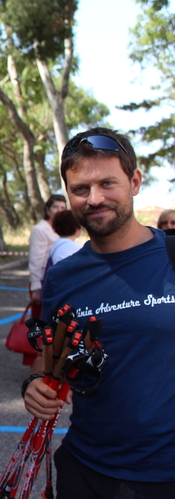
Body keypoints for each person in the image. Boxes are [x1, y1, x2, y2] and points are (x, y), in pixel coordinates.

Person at [24, 128, 175, 498]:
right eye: (80, 189)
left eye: (107, 183)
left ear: (134, 181)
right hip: (88, 471)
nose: (94, 199)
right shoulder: (62, 277)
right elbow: (52, 360)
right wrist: (33, 387)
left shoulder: (171, 256)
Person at [28, 194, 67, 318]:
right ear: (47, 209)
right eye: (56, 207)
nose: (59, 211)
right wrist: (36, 288)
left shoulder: (60, 229)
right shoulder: (39, 230)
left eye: (62, 208)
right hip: (42, 281)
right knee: (43, 321)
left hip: (57, 280)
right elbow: (36, 259)